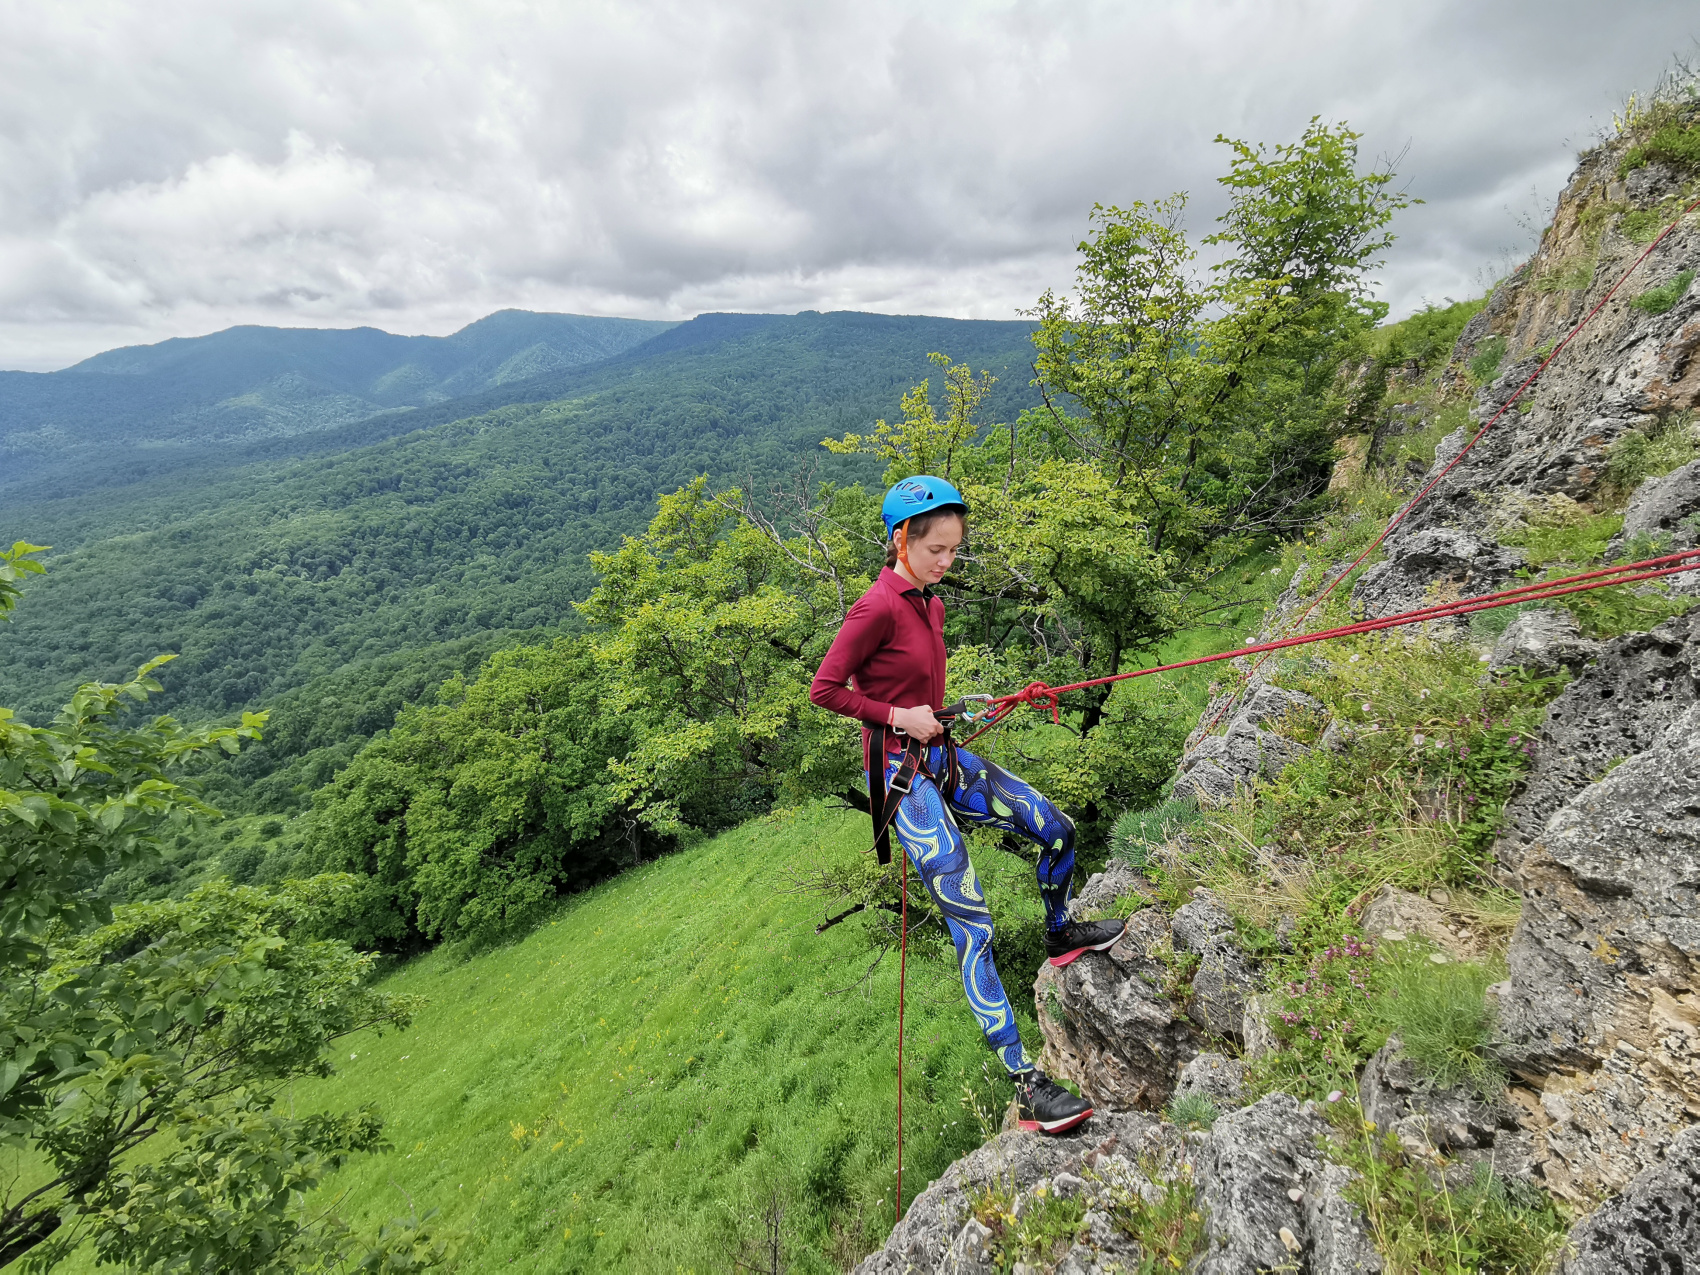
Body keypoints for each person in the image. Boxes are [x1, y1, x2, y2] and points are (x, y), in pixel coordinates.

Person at [809, 475, 1126, 1134]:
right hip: (903, 779)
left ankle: (1060, 929)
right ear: (902, 539)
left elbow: (921, 682)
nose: (948, 563)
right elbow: (826, 689)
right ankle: (1027, 1081)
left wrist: (942, 712)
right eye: (937, 551)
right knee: (972, 921)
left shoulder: (929, 601)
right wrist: (900, 715)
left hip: (942, 756)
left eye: (955, 550)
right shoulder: (875, 607)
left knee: (1057, 828)